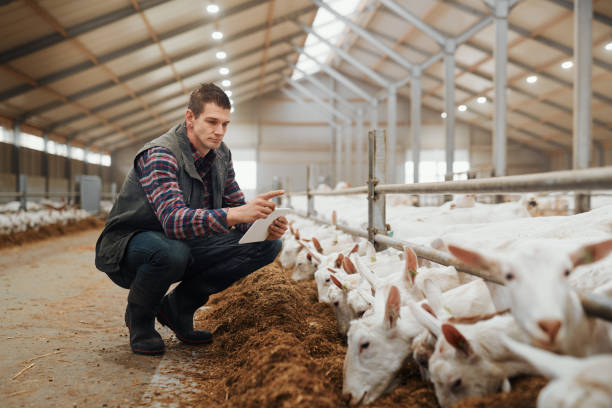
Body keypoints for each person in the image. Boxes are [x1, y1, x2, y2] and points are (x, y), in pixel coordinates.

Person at [95, 83, 288, 355]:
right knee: (172, 251)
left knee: (267, 246)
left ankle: (179, 308)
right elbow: (173, 221)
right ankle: (140, 319)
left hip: (182, 241)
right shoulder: (160, 154)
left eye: (225, 124)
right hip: (131, 245)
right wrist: (236, 214)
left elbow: (234, 205)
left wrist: (262, 224)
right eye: (211, 121)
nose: (219, 131)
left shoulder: (222, 155)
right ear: (190, 118)